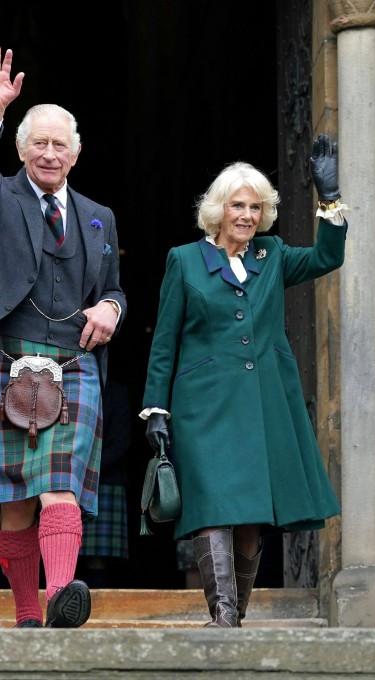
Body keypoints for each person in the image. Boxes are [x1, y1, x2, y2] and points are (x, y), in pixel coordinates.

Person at [0, 45, 126, 629]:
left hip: (73, 362)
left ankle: (61, 595)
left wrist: (112, 306)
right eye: (38, 142)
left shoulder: (98, 215)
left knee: (61, 485)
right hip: (1, 356)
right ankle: (26, 614)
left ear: (77, 153)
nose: (49, 152)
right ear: (20, 149)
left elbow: (114, 286)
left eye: (60, 143)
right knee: (14, 503)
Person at [140, 135, 346, 628]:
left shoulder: (271, 256)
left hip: (261, 405)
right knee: (211, 506)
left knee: (251, 516)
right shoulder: (184, 260)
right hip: (203, 408)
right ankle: (223, 616)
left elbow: (326, 259)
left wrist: (331, 199)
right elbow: (165, 340)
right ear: (218, 209)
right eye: (238, 205)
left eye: (256, 207)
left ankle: (237, 618)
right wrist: (155, 409)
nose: (247, 215)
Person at [77, 378, 131, 587]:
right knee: (63, 547)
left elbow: (121, 442)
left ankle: (98, 608)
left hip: (105, 480)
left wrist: (85, 467)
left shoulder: (116, 393)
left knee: (97, 558)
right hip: (70, 478)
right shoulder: (71, 385)